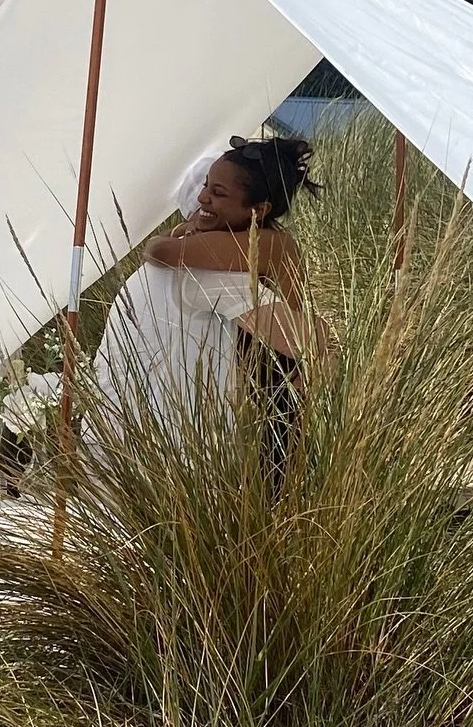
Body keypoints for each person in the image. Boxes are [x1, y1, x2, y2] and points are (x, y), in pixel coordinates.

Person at [92, 136, 318, 478]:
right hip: (266, 356)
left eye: (218, 192)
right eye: (206, 186)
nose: (202, 197)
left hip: (278, 367)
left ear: (258, 210)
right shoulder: (266, 235)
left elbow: (161, 254)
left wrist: (172, 235)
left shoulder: (262, 243)